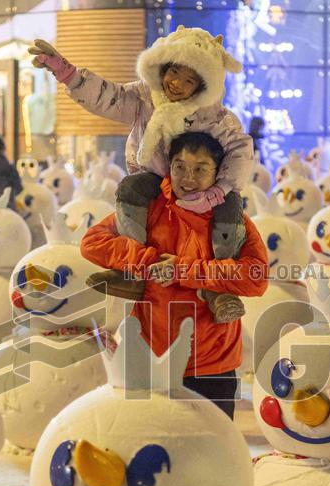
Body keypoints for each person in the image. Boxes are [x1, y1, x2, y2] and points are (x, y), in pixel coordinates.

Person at [31, 27, 254, 323]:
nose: (177, 83)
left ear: (202, 86)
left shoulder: (214, 116)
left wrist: (220, 189)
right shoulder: (143, 98)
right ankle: (131, 273)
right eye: (174, 71)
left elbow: (240, 150)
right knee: (130, 188)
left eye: (190, 80)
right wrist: (65, 71)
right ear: (163, 65)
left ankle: (219, 289)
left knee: (231, 206)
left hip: (203, 193)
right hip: (153, 182)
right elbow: (106, 97)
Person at [81, 132, 268, 419]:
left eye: (200, 169)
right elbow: (92, 242)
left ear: (218, 172)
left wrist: (186, 270)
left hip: (213, 362)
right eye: (180, 166)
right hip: (151, 356)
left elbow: (256, 277)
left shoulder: (232, 220)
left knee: (211, 450)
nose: (188, 177)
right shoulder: (150, 210)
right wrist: (149, 260)